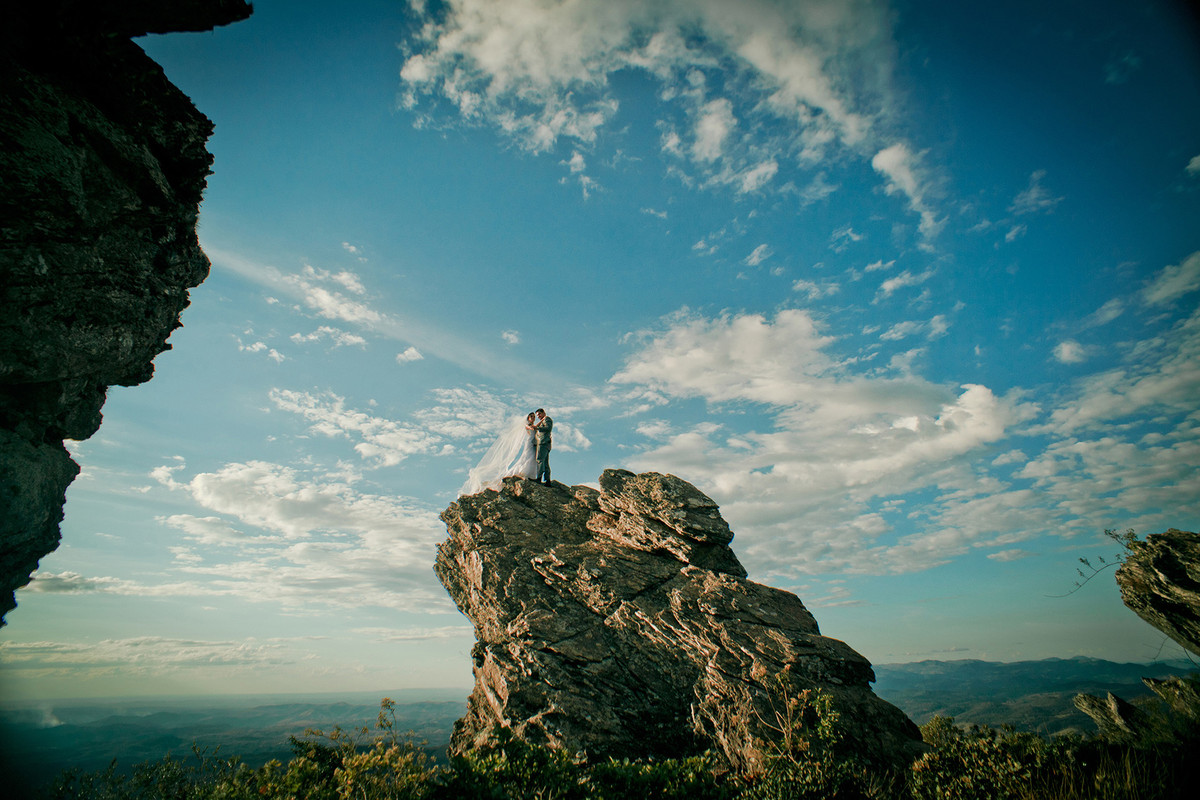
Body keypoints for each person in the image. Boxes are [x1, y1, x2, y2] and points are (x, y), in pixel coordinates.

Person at [458, 412, 537, 496]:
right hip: (529, 442)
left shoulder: (533, 425)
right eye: (531, 416)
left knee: (530, 457)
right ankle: (524, 472)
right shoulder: (527, 425)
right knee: (529, 455)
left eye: (533, 417)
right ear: (528, 418)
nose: (532, 418)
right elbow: (531, 428)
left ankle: (529, 473)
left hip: (533, 443)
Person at [532, 408, 553, 485]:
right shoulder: (543, 420)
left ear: (543, 412)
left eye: (539, 414)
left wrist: (538, 428)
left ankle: (539, 478)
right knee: (545, 463)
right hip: (545, 443)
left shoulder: (547, 419)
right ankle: (548, 481)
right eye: (537, 415)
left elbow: (548, 428)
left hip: (543, 442)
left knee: (540, 460)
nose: (538, 416)